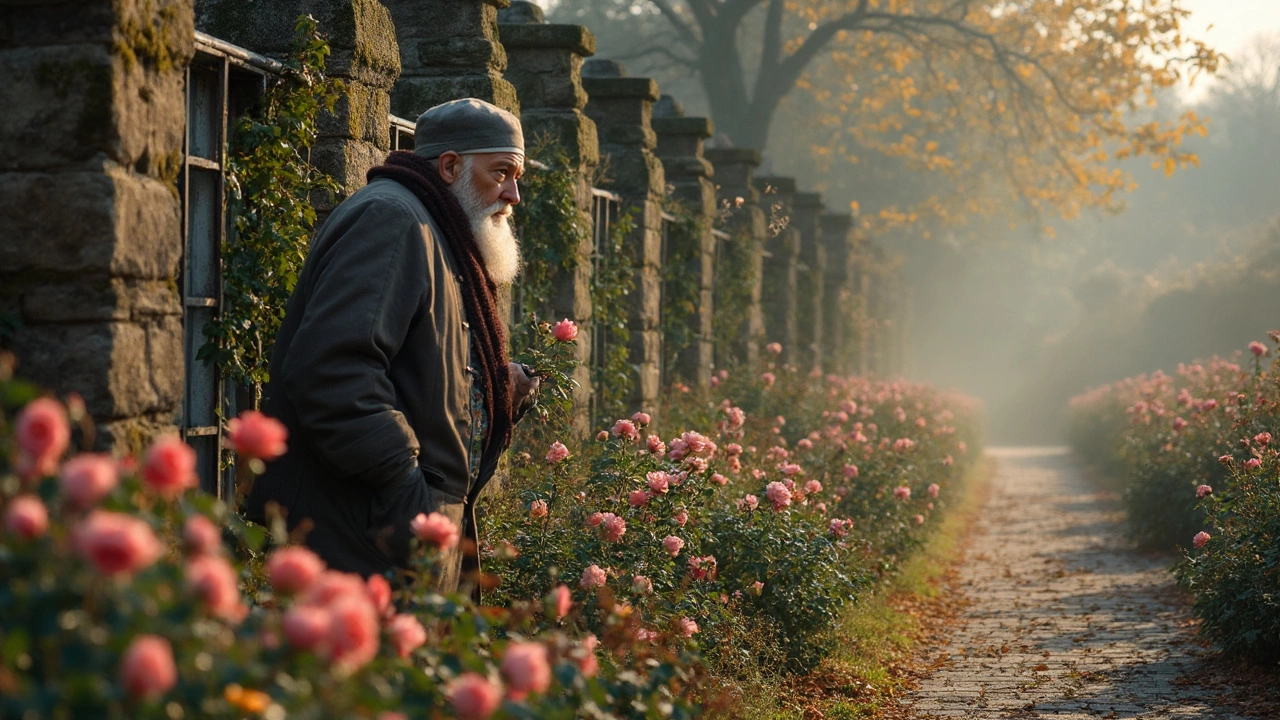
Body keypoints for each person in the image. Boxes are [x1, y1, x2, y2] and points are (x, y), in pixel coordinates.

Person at [245, 98, 540, 592]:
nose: (512, 194)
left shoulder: (434, 226)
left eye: (516, 176)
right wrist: (408, 494)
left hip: (386, 540)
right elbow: (332, 373)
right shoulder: (392, 219)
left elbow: (411, 359)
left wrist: (488, 387)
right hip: (358, 545)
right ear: (449, 166)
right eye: (502, 172)